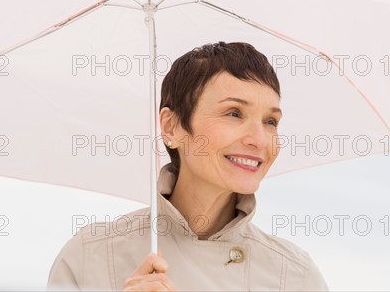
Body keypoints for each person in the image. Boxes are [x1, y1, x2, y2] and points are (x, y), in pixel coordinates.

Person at [47, 42, 329, 291]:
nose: (258, 140)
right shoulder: (89, 257)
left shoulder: (295, 277)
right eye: (234, 113)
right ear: (172, 126)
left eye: (271, 122)